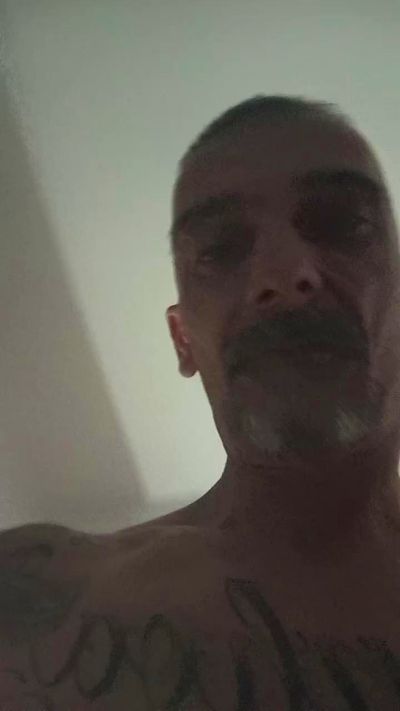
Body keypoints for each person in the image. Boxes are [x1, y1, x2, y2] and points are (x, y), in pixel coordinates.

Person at [1, 94, 400, 709]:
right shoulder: (42, 605)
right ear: (183, 339)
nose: (283, 273)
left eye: (343, 224)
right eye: (220, 248)